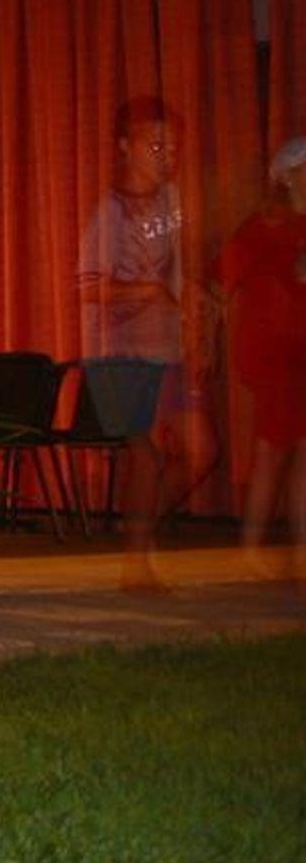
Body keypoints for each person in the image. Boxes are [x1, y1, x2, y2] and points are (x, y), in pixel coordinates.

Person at [78, 97, 219, 590]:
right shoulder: (109, 213)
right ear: (125, 147)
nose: (167, 156)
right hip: (121, 350)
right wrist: (147, 291)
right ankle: (136, 563)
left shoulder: (171, 202)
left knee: (203, 451)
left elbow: (178, 270)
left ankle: (136, 535)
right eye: (156, 146)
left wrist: (195, 315)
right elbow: (87, 286)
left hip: (168, 347)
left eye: (173, 147)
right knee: (145, 454)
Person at [214, 136, 306, 579]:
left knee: (301, 451)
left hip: (299, 348)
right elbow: (221, 277)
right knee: (273, 448)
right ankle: (250, 548)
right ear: (287, 177)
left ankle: (299, 549)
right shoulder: (265, 225)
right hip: (274, 351)